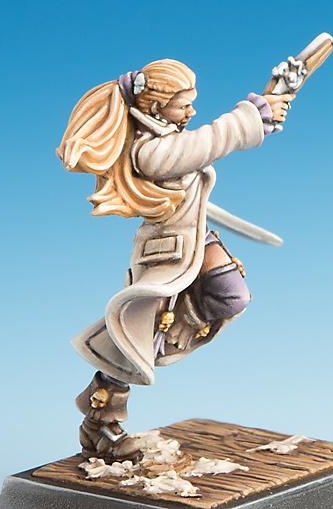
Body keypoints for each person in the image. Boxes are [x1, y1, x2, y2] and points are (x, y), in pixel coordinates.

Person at [57, 59, 294, 461]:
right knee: (135, 338)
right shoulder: (150, 150)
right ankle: (101, 420)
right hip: (167, 250)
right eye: (183, 105)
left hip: (195, 238)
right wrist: (252, 117)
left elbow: (204, 145)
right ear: (154, 106)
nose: (191, 112)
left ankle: (177, 328)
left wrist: (265, 113)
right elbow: (204, 145)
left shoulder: (165, 134)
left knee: (231, 296)